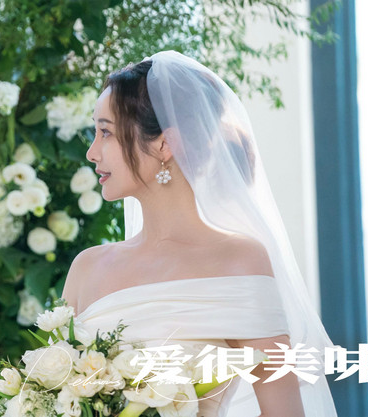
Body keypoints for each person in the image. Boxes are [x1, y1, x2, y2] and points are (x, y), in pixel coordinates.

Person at [62, 51, 336, 416]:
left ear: (164, 144)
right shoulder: (86, 268)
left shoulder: (239, 261)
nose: (91, 152)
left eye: (106, 132)